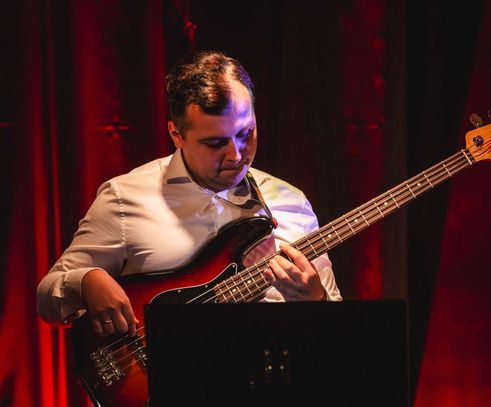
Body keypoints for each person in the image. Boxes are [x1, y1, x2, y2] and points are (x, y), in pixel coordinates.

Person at [36, 50, 342, 338]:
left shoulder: (290, 202)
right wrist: (86, 281)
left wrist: (315, 299)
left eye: (245, 133)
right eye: (215, 143)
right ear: (176, 135)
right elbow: (47, 297)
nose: (236, 154)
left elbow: (336, 328)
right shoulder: (125, 198)